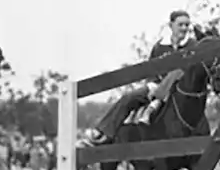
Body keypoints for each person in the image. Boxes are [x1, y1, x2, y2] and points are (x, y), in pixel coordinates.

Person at [81, 10, 197, 145]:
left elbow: (194, 70)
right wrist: (153, 85)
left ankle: (156, 104)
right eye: (180, 25)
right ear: (171, 26)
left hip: (182, 89)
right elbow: (151, 70)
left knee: (176, 73)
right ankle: (104, 132)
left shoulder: (193, 45)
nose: (184, 28)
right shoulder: (160, 47)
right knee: (129, 97)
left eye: (187, 25)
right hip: (158, 86)